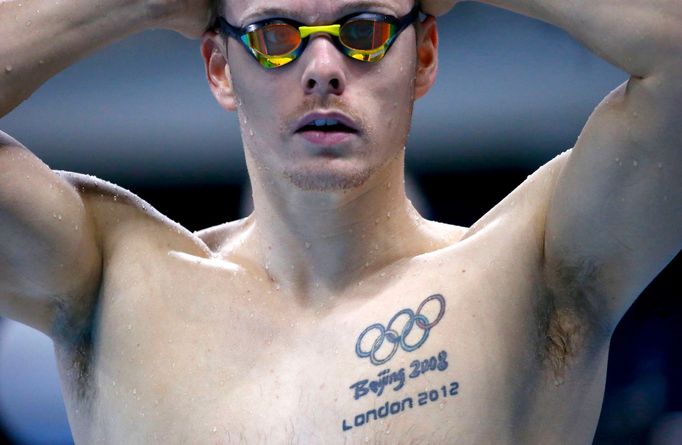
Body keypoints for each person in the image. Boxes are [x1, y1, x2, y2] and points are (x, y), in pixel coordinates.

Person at [0, 0, 680, 442]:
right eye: (274, 35)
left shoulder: (532, 273)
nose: (323, 68)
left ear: (426, 55)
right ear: (220, 67)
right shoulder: (111, 281)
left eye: (363, 31)